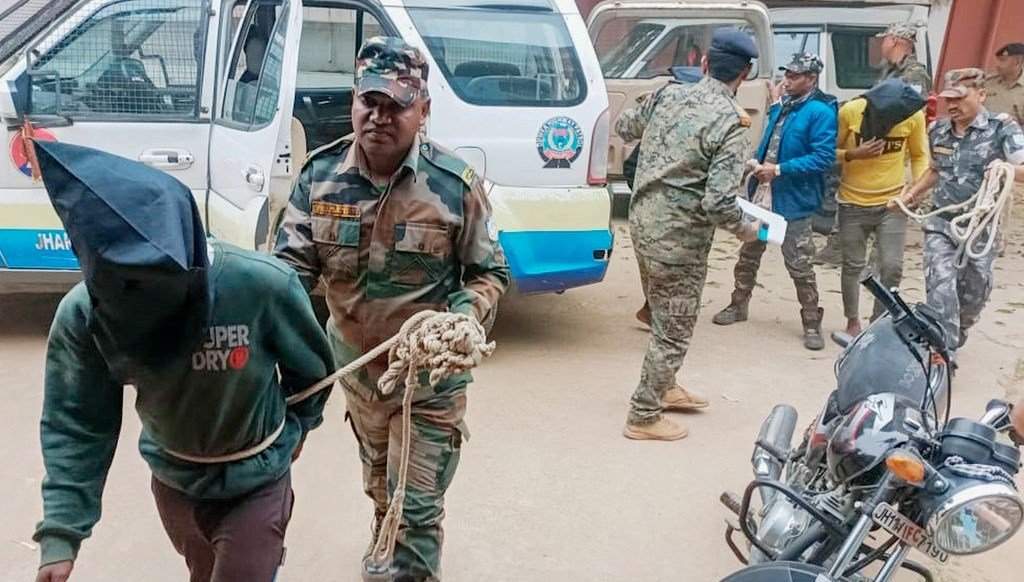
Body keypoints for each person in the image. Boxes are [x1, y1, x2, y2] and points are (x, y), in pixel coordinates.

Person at [31, 141, 334, 582]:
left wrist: (296, 428)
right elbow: (76, 419)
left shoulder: (262, 286)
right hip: (174, 480)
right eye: (128, 289)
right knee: (203, 570)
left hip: (257, 480)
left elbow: (313, 373)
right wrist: (62, 534)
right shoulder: (86, 315)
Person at [273, 37, 509, 581]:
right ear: (355, 100)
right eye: (369, 102)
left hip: (428, 381)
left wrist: (464, 316)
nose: (378, 117)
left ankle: (413, 565)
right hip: (358, 376)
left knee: (420, 504)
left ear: (423, 111)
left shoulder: (455, 187)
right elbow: (287, 280)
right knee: (380, 482)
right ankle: (386, 532)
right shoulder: (319, 177)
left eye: (396, 105)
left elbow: (489, 273)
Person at [615, 28, 762, 442]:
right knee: (674, 327)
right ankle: (643, 416)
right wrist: (746, 230)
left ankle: (666, 386)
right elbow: (719, 203)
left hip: (642, 224)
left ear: (703, 64)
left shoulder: (667, 94)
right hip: (680, 241)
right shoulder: (732, 123)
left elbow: (625, 127)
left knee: (664, 312)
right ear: (745, 73)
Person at [712, 53, 837, 350]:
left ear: (811, 79)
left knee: (800, 265)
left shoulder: (820, 112)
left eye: (795, 76)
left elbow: (823, 158)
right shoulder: (782, 107)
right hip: (762, 196)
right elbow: (772, 144)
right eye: (787, 75)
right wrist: (758, 163)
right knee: (748, 255)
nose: (788, 80)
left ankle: (810, 321)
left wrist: (780, 170)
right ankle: (738, 304)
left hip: (793, 202)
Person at [891, 68, 1024, 348]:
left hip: (981, 227)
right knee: (941, 288)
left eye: (960, 98)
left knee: (975, 292)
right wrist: (911, 194)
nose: (952, 105)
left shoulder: (1002, 128)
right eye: (947, 99)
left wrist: (1006, 168)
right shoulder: (937, 130)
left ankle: (959, 328)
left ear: (982, 94)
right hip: (941, 223)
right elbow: (935, 170)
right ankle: (943, 350)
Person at [832, 78, 929, 339]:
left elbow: (920, 156)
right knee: (853, 265)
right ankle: (852, 320)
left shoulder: (913, 117)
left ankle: (880, 320)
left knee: (892, 266)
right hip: (852, 202)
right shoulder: (851, 111)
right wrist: (853, 154)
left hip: (893, 204)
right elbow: (828, 151)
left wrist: (916, 189)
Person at [877, 22, 932, 96]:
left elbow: (917, 102)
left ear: (894, 40)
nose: (882, 46)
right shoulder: (890, 71)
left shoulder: (915, 72)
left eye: (885, 40)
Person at [986, 42, 1024, 126]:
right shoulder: (987, 83)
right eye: (998, 60)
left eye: (1003, 60)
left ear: (1018, 62)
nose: (998, 65)